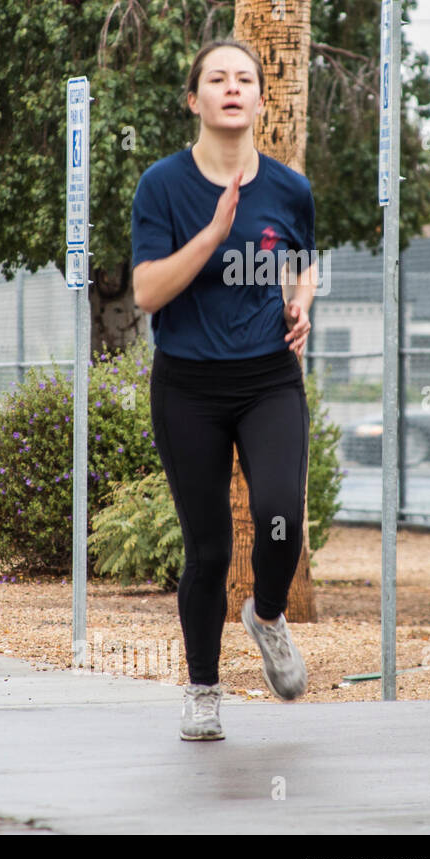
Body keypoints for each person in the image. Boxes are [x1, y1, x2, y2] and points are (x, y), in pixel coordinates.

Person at [130, 39, 316, 741]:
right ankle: (203, 690)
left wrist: (301, 305)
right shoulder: (163, 186)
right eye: (217, 78)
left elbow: (303, 264)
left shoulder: (290, 188)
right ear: (195, 100)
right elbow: (147, 291)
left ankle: (267, 615)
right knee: (206, 551)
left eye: (245, 79)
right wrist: (212, 233)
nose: (232, 88)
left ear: (261, 100)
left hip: (269, 377)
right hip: (189, 387)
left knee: (279, 519)